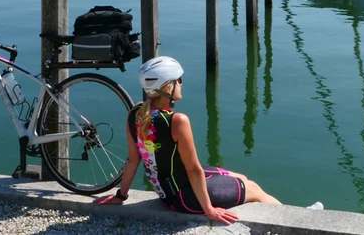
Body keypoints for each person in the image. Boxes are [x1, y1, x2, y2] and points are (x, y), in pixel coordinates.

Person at [93, 56, 281, 224]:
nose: (181, 83)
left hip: (166, 194)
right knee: (253, 188)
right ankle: (296, 221)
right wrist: (209, 210)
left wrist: (121, 195)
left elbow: (133, 160)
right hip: (185, 200)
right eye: (179, 80)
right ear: (168, 86)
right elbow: (193, 169)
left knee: (239, 178)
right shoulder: (177, 121)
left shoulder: (136, 112)